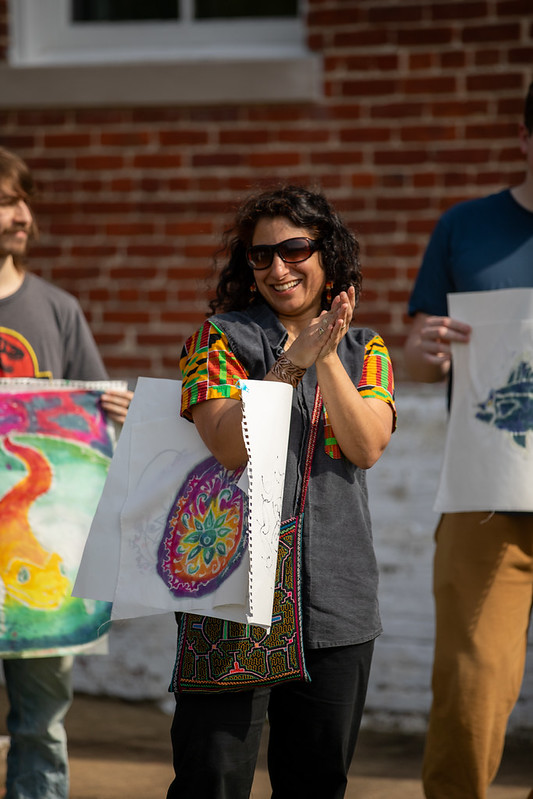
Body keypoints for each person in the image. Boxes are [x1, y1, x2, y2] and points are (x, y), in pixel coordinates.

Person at [167, 184, 396, 799]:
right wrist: (291, 362)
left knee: (317, 783)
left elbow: (366, 445)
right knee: (212, 778)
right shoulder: (217, 339)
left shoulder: (365, 348)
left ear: (329, 256)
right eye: (260, 256)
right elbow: (227, 444)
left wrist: (325, 357)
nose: (277, 268)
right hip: (234, 596)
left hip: (336, 604)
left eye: (294, 250)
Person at [404, 83, 533, 799]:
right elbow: (418, 362)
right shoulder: (465, 228)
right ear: (523, 138)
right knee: (469, 684)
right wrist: (425, 346)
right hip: (487, 493)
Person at [0, 146, 133, 799]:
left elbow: (88, 419)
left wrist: (118, 412)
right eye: (4, 200)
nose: (20, 214)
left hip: (35, 553)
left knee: (42, 723)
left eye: (22, 199)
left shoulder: (56, 308)